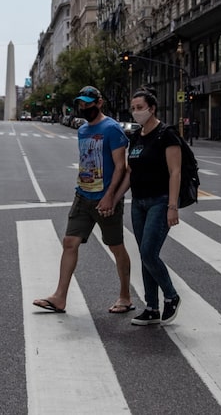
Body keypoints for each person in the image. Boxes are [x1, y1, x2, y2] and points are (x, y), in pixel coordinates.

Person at [32, 85, 132, 315]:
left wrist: (110, 197)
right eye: (81, 103)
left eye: (89, 103)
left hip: (105, 199)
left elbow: (121, 167)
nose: (84, 107)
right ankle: (59, 297)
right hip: (82, 195)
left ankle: (125, 296)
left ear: (99, 102)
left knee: (115, 247)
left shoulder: (112, 129)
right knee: (69, 242)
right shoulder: (83, 130)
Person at [111, 87, 182, 326]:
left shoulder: (167, 134)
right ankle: (151, 307)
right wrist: (115, 197)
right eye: (133, 108)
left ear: (152, 108)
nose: (136, 112)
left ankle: (171, 295)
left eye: (140, 108)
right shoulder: (136, 137)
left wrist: (173, 206)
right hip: (138, 203)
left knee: (149, 252)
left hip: (160, 201)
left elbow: (175, 172)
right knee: (144, 255)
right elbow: (131, 173)